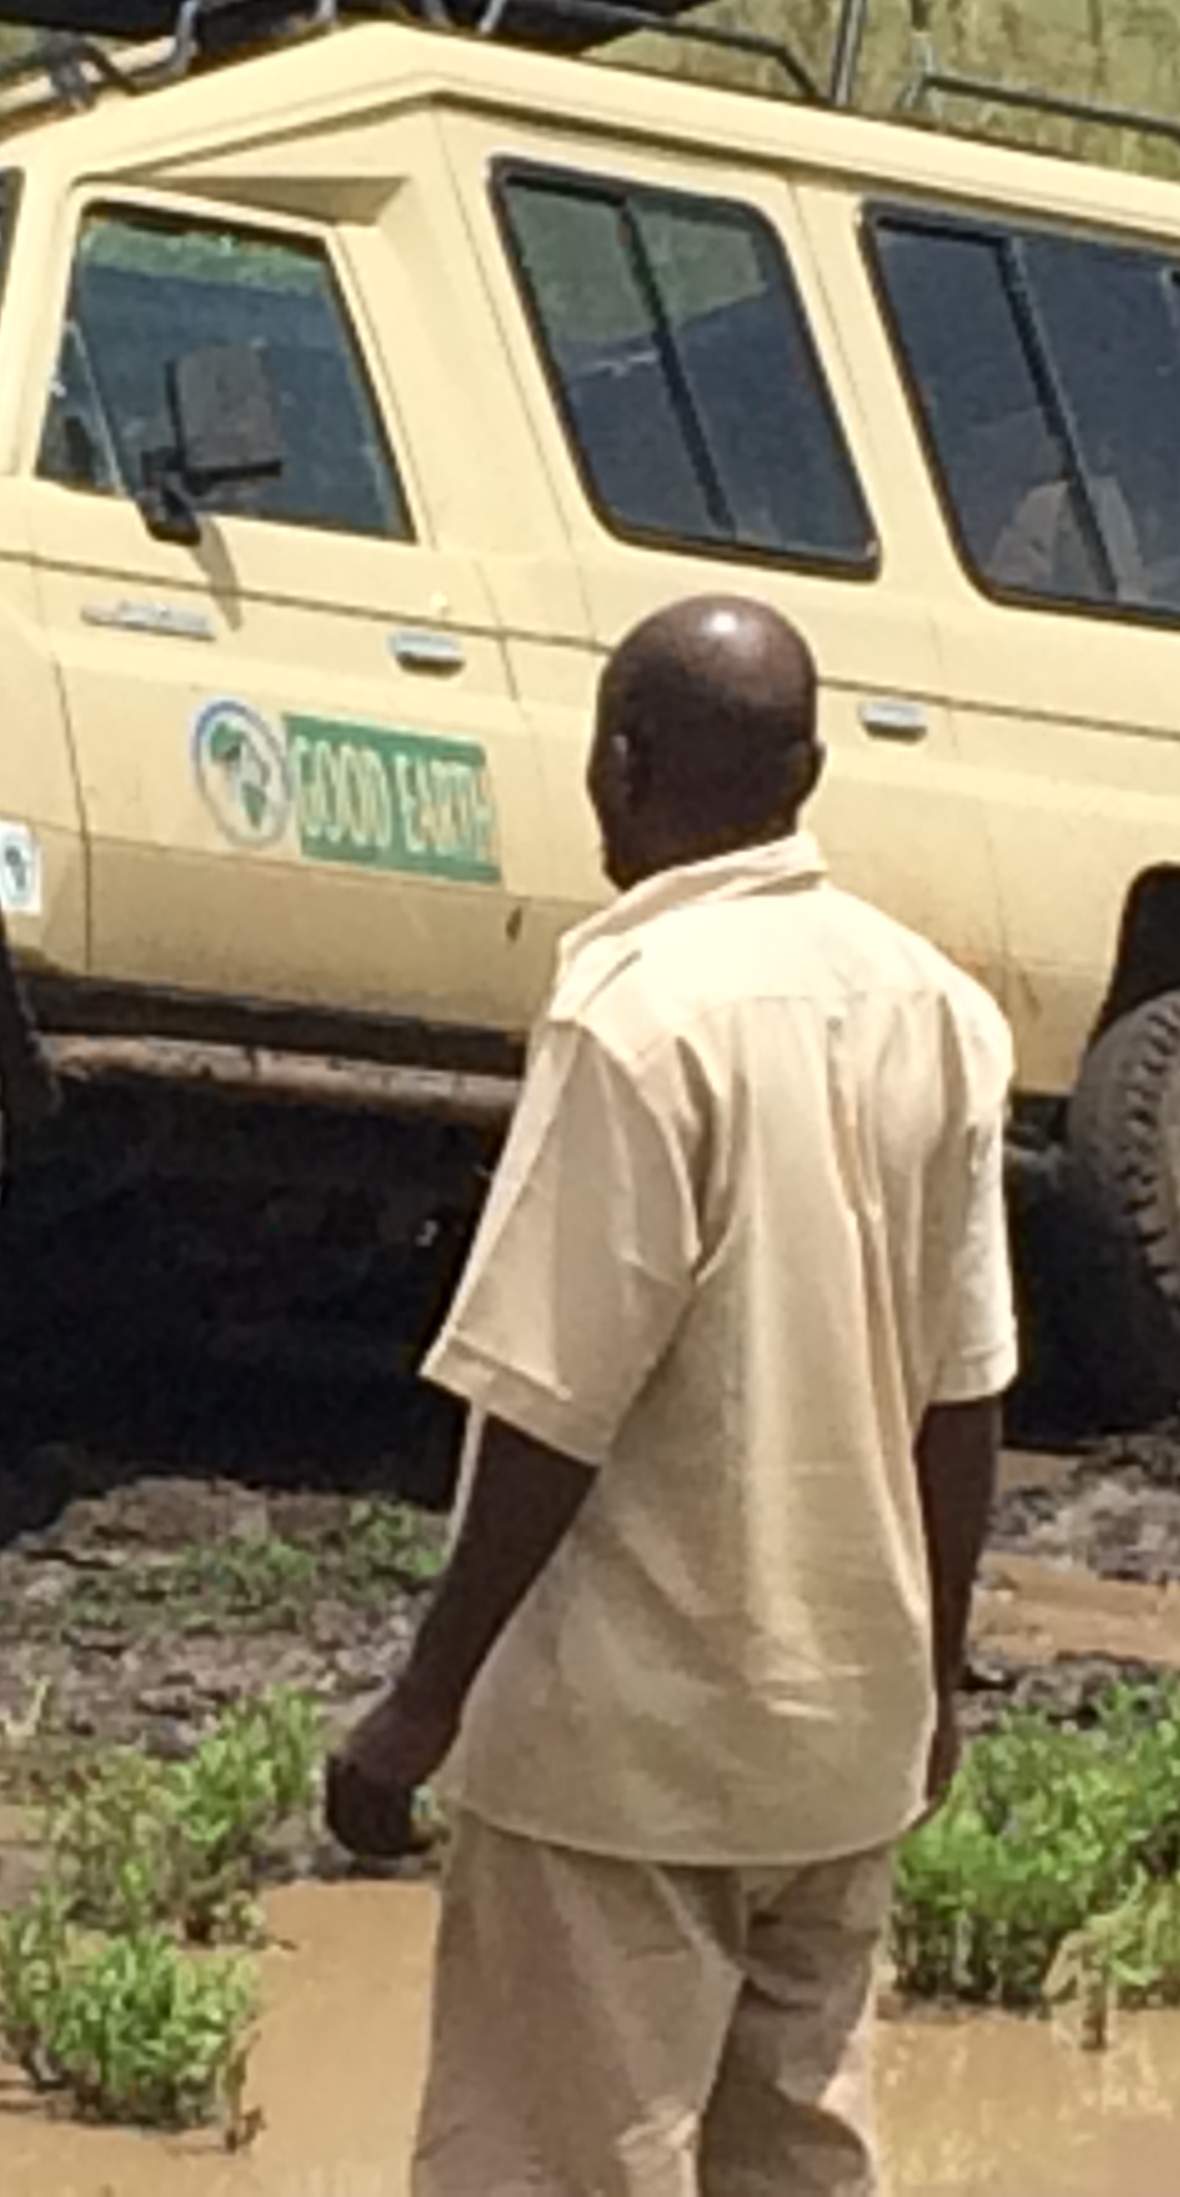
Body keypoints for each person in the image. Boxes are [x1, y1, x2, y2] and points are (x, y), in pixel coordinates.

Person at [329, 593, 1015, 2197]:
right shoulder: (937, 1009)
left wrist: (423, 1700)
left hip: (622, 1753)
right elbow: (965, 1388)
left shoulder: (637, 1015)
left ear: (619, 769)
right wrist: (938, 1677)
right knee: (802, 2153)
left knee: (573, 2160)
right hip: (841, 1731)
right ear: (814, 765)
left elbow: (553, 1403)